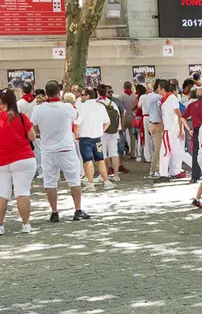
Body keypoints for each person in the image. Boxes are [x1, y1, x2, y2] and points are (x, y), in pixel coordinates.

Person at [31, 81, 90, 222]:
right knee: (74, 180)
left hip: (48, 150)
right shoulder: (67, 107)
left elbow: (35, 128)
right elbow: (76, 117)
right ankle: (77, 210)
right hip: (66, 148)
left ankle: (54, 212)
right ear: (59, 92)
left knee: (50, 182)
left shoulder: (38, 109)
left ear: (46, 93)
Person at [0, 89, 37, 235]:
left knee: (2, 194)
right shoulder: (21, 117)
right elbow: (32, 137)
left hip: (2, 161)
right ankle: (26, 224)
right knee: (22, 192)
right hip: (24, 158)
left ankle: (1, 226)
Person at [75, 88, 116, 191]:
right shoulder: (100, 107)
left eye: (83, 95)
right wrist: (101, 131)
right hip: (97, 138)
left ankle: (90, 183)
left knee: (87, 161)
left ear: (88, 96)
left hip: (85, 137)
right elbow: (108, 122)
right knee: (100, 159)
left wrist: (76, 135)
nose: (81, 96)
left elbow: (76, 124)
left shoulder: (81, 107)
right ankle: (106, 181)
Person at [156, 81, 186, 182]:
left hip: (171, 129)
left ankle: (164, 174)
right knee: (176, 151)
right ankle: (176, 171)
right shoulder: (167, 99)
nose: (158, 89)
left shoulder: (171, 98)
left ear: (163, 89)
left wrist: (181, 129)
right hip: (170, 128)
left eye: (159, 87)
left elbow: (179, 115)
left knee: (164, 152)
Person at [182, 88, 202, 183]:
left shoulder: (192, 105)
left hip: (196, 130)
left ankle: (195, 175)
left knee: (196, 152)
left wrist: (189, 129)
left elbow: (183, 117)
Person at [146, 80, 163, 178]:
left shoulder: (154, 97)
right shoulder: (152, 96)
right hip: (155, 125)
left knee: (160, 148)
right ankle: (153, 170)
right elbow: (163, 96)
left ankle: (158, 169)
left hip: (158, 124)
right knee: (158, 149)